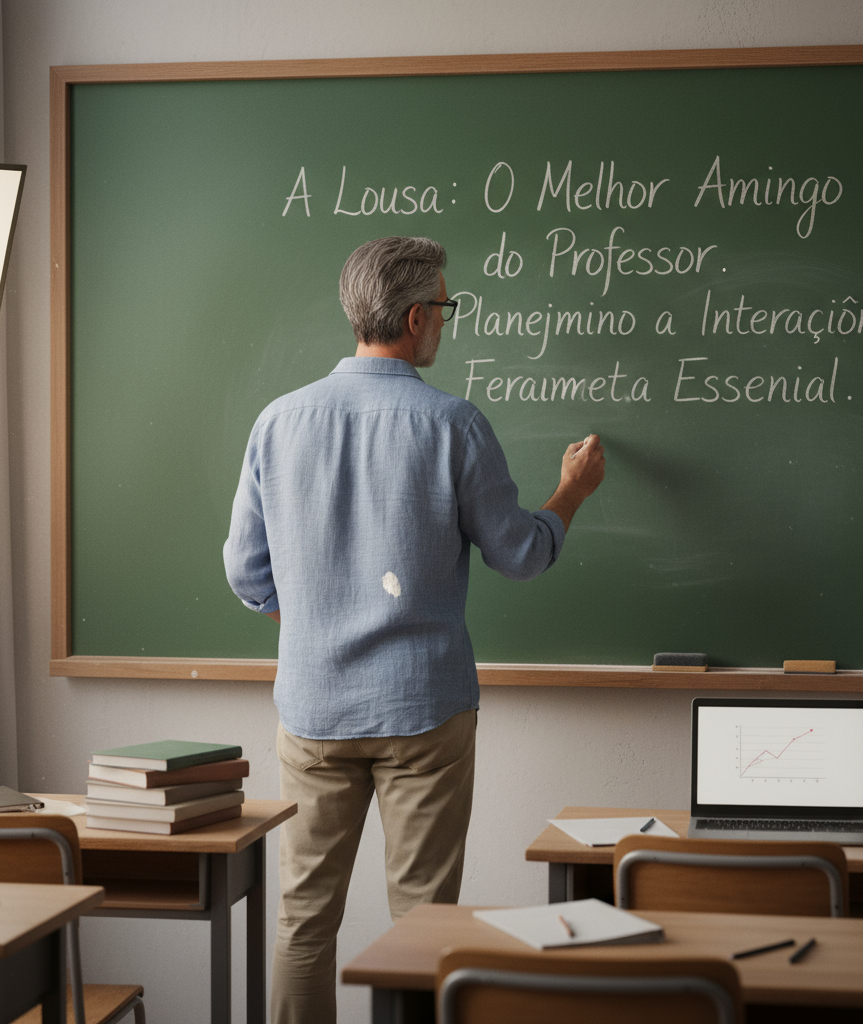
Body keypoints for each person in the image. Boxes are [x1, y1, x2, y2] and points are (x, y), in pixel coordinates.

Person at [223, 236, 605, 1024]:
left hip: (314, 708)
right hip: (425, 713)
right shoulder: (452, 424)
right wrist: (570, 491)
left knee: (302, 923)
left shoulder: (279, 421)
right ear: (415, 315)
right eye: (445, 308)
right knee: (425, 926)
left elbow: (246, 572)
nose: (446, 322)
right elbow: (523, 554)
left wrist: (315, 625)